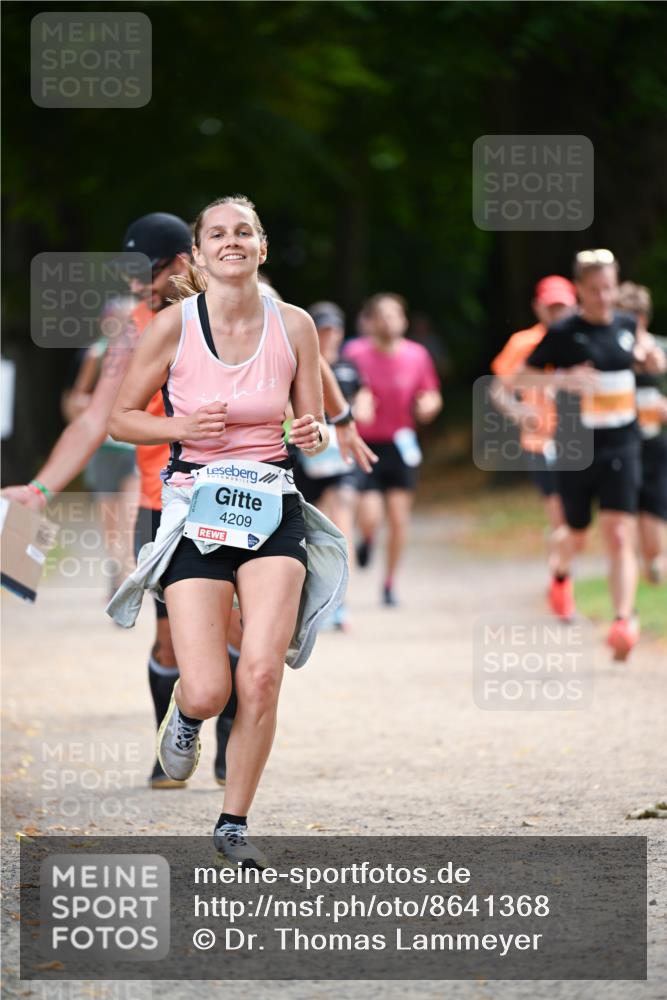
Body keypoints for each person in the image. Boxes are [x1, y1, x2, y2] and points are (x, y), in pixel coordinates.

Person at [107, 194, 334, 864]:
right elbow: (121, 419)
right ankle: (185, 716)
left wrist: (314, 432)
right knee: (208, 686)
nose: (230, 242)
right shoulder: (172, 327)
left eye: (244, 232)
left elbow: (308, 428)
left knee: (261, 672)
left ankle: (233, 822)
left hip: (271, 505)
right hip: (196, 508)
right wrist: (179, 427)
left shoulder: (293, 326)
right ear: (199, 256)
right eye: (217, 234)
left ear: (261, 247)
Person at [512, 249, 665, 660]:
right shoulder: (564, 332)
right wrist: (564, 378)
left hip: (622, 445)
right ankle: (560, 575)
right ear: (580, 289)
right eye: (595, 289)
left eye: (609, 288)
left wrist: (652, 359)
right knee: (575, 535)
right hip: (576, 449)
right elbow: (519, 375)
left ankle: (623, 620)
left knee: (619, 534)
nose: (603, 297)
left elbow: (650, 355)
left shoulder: (628, 325)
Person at [343, 292, 442, 606]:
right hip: (364, 443)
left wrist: (429, 405)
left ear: (404, 320)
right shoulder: (355, 353)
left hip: (400, 444)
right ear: (370, 321)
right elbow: (339, 388)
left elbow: (431, 393)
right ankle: (368, 537)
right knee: (370, 515)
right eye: (382, 315)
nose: (389, 320)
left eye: (394, 314)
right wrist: (354, 406)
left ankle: (389, 583)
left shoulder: (417, 355)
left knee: (399, 518)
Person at [490, 275, 577, 603]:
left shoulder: (582, 339)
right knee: (560, 517)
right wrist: (519, 412)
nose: (557, 313)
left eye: (563, 306)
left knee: (576, 520)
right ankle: (562, 585)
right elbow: (500, 390)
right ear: (539, 307)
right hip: (541, 441)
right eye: (552, 306)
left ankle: (560, 574)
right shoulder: (524, 343)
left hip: (580, 442)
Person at [293, 301, 369, 629]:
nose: (330, 335)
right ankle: (314, 596)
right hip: (306, 458)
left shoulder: (349, 370)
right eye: (323, 329)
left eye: (335, 329)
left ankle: (341, 601)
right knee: (311, 531)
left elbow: (365, 398)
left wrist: (358, 412)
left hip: (340, 459)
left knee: (342, 517)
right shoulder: (300, 363)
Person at [616, 282, 667, 582]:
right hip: (622, 444)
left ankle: (655, 563)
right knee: (625, 513)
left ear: (643, 318)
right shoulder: (611, 354)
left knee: (657, 510)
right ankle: (630, 570)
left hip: (658, 444)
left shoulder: (662, 348)